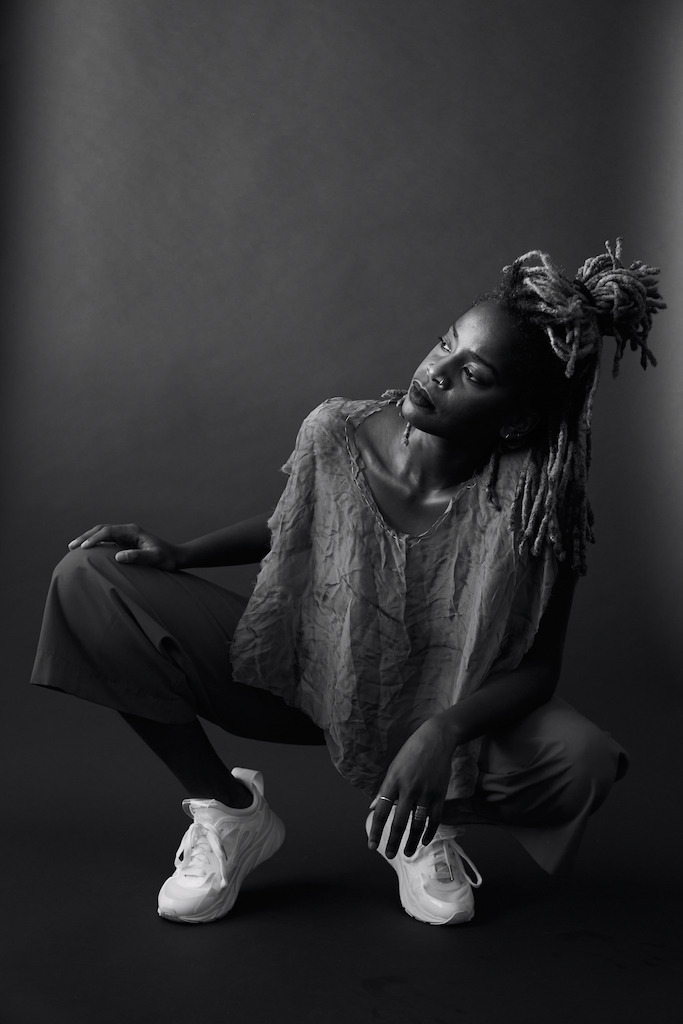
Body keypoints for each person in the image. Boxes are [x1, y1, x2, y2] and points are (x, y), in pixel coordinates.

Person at [30, 239, 664, 927]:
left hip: (441, 701)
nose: (436, 371)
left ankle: (421, 821)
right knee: (90, 581)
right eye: (444, 344)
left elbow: (539, 669)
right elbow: (300, 521)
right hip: (315, 681)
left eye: (472, 374)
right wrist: (184, 553)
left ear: (514, 418)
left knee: (582, 761)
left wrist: (442, 733)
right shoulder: (338, 430)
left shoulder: (537, 502)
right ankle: (231, 815)